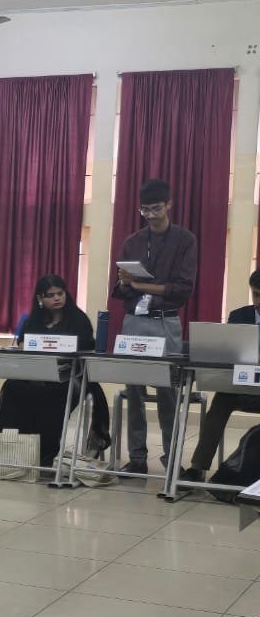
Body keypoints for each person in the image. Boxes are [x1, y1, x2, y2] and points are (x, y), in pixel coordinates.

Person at [112, 179, 197, 474]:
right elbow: (122, 290)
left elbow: (182, 289)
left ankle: (171, 459)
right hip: (134, 320)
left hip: (165, 321)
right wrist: (127, 283)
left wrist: (140, 285)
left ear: (169, 204)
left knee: (167, 392)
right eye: (145, 209)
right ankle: (137, 458)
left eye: (156, 208)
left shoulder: (185, 240)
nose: (150, 215)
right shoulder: (133, 241)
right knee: (133, 390)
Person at [0, 275, 109, 468]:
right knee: (12, 387)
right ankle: (9, 448)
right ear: (40, 298)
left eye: (60, 293)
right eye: (50, 295)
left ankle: (45, 454)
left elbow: (86, 351)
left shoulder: (78, 320)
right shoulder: (33, 320)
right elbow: (23, 345)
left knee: (54, 395)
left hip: (70, 376)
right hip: (35, 373)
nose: (57, 298)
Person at [181, 270, 260, 481]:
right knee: (221, 400)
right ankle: (197, 467)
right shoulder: (238, 316)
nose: (258, 301)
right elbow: (227, 353)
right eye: (255, 295)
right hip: (242, 386)